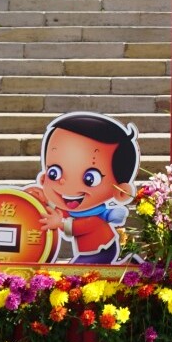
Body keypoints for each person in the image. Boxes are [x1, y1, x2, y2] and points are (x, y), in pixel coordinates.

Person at [35, 112, 139, 264]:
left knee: (82, 272)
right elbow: (61, 209)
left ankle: (131, 266)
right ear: (44, 177)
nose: (65, 183)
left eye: (90, 179)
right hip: (88, 251)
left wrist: (59, 224)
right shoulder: (74, 208)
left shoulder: (96, 218)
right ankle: (129, 264)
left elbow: (78, 227)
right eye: (54, 173)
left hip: (101, 249)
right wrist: (45, 200)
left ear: (120, 191)